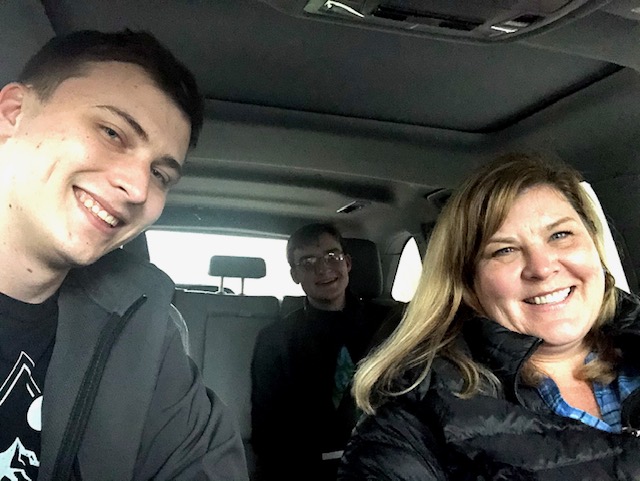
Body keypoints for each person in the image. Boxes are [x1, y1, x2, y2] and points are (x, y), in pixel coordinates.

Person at [0, 30, 248, 480]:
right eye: (112, 132)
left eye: (160, 174)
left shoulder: (144, 331)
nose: (137, 188)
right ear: (13, 114)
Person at [338, 153, 640, 480]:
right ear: (468, 283)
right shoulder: (414, 414)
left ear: (594, 244)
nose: (541, 268)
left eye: (560, 235)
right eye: (504, 250)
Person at [251, 223, 401, 480]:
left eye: (332, 256)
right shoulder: (275, 340)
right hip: (306, 468)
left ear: (348, 263)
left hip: (386, 460)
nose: (322, 268)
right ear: (295, 275)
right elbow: (267, 430)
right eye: (307, 262)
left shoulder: (391, 325)